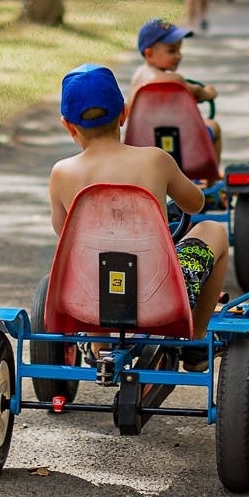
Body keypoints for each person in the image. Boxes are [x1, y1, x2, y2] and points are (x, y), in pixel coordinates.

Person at [49, 64, 228, 342]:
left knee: (90, 258)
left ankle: (98, 344)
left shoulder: (61, 172)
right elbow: (195, 203)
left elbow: (64, 234)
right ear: (124, 114)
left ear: (68, 126)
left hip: (90, 297)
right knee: (214, 230)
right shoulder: (156, 159)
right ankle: (197, 337)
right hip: (161, 295)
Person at [129, 17, 218, 145]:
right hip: (180, 143)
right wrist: (210, 92)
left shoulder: (138, 76)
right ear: (150, 55)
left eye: (179, 49)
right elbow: (199, 93)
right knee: (213, 126)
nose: (179, 56)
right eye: (172, 51)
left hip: (141, 143)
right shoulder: (175, 81)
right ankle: (210, 159)